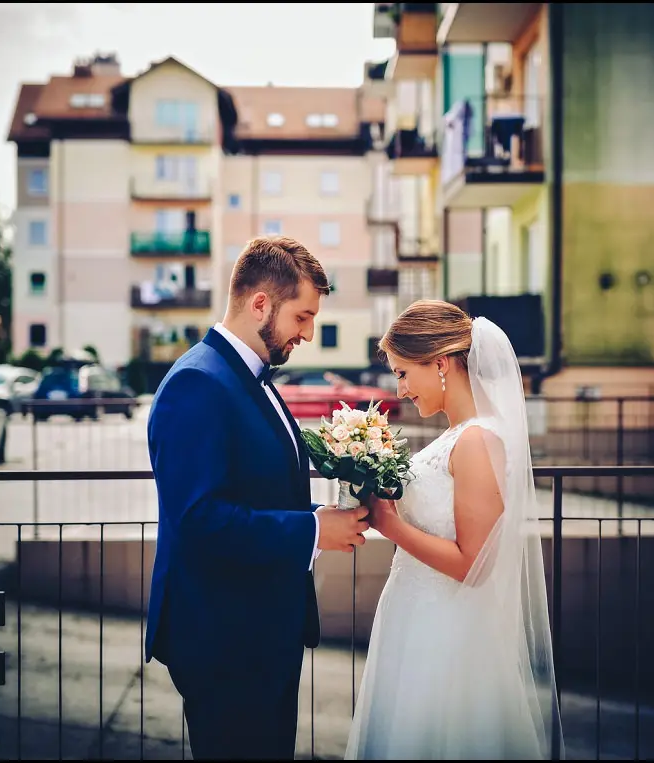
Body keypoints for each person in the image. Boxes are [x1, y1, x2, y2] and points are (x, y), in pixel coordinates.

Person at [144, 236, 371, 760]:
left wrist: (318, 516)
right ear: (261, 303)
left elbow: (253, 491)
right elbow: (200, 519)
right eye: (303, 316)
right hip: (226, 640)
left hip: (262, 632)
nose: (308, 333)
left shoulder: (249, 377)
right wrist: (313, 532)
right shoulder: (197, 383)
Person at [345, 300, 564, 760]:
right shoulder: (454, 435)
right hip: (413, 617)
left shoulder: (478, 441)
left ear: (440, 363)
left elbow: (473, 565)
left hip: (448, 634)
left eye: (404, 373)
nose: (401, 389)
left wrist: (391, 524)